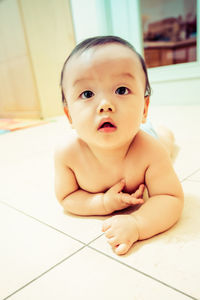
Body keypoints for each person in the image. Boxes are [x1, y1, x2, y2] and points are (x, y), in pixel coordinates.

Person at [54, 36, 184, 255]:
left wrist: (138, 223)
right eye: (87, 94)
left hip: (143, 134)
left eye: (121, 90)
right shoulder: (67, 155)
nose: (105, 105)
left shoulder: (150, 151)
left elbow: (170, 197)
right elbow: (67, 198)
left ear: (144, 108)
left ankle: (163, 132)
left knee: (165, 144)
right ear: (69, 116)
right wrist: (102, 202)